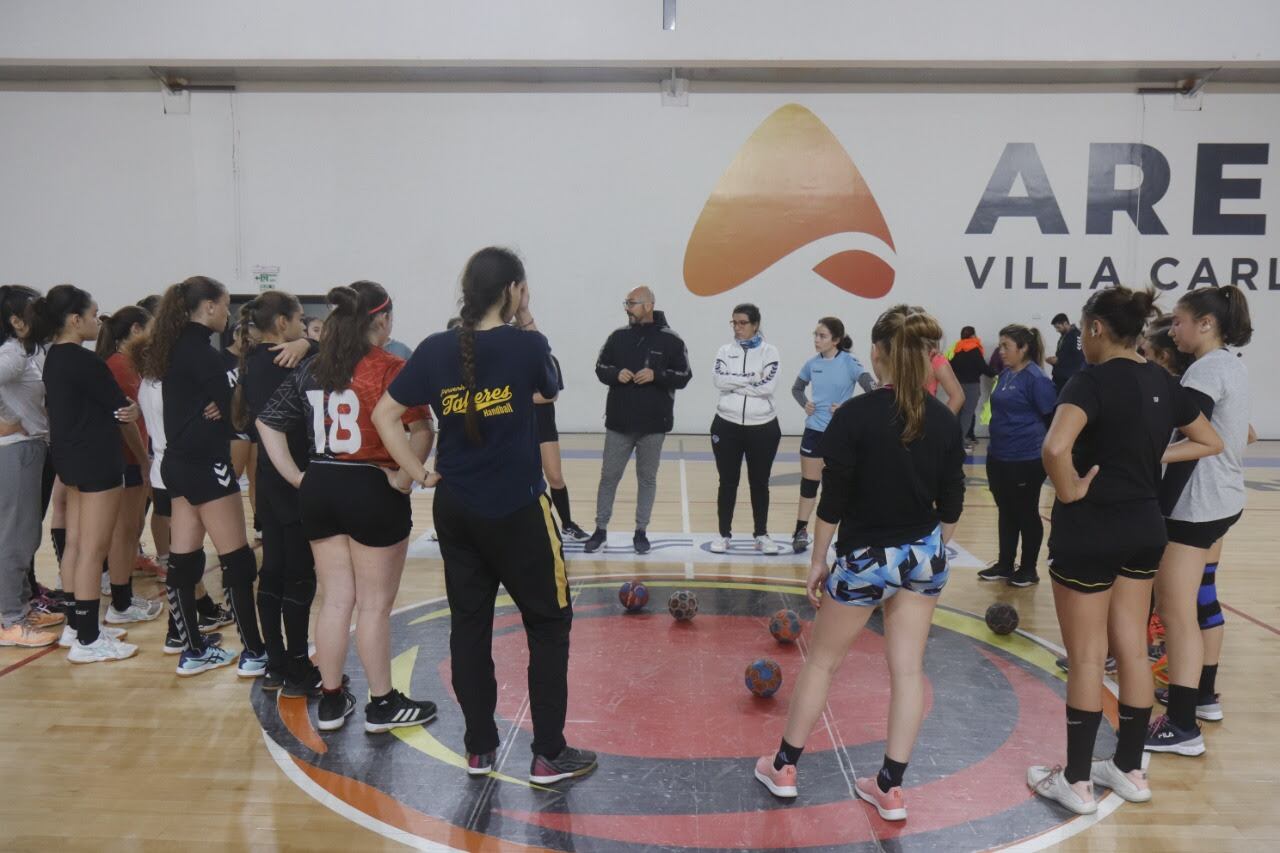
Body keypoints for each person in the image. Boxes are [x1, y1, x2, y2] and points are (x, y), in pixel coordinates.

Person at [374, 246, 597, 784]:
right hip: (518, 511)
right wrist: (526, 317)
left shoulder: (432, 348)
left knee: (469, 629)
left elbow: (384, 414)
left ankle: (479, 749)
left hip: (457, 509)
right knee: (548, 625)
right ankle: (547, 753)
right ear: (514, 289)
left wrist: (419, 475)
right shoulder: (528, 345)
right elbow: (550, 388)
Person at [754, 306, 965, 820]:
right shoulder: (942, 418)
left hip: (865, 559)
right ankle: (889, 788)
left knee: (823, 661)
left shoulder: (853, 416)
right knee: (908, 670)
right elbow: (953, 504)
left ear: (876, 353)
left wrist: (818, 560)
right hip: (924, 556)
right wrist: (926, 550)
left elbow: (833, 502)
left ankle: (783, 767)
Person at [1028, 286, 1220, 815]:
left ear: (1094, 329)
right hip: (1145, 527)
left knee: (1089, 655)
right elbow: (1211, 441)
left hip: (1090, 530)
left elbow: (1054, 448)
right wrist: (1154, 453)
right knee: (1132, 647)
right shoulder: (1162, 379)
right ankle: (1130, 769)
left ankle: (1077, 781)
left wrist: (1068, 490)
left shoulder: (1088, 380)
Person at [259, 281, 436, 732]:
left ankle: (333, 700)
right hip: (369, 486)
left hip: (319, 486)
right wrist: (403, 475)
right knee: (374, 606)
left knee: (336, 600)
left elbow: (266, 423)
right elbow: (420, 428)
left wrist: (298, 476)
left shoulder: (315, 367)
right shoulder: (391, 367)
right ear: (382, 320)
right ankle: (382, 703)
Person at [1146, 286, 1253, 756]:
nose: (1174, 330)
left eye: (1180, 322)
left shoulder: (1207, 371)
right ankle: (1200, 697)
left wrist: (1157, 496)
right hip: (1222, 498)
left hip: (1196, 504)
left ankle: (1182, 726)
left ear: (1206, 324)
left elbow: (1196, 445)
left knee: (1178, 612)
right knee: (1196, 602)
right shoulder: (1230, 362)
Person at [148, 277, 269, 677]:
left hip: (177, 465)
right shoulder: (202, 353)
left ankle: (193, 650)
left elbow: (221, 405)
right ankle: (254, 652)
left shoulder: (174, 347)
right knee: (237, 560)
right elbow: (237, 413)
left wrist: (223, 405)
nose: (229, 313)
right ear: (209, 308)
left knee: (184, 562)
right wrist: (230, 405)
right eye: (226, 305)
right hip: (205, 464)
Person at [27, 285, 141, 662]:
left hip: (70, 459)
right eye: (93, 315)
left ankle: (77, 627)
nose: (97, 321)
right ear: (74, 320)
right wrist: (134, 414)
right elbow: (122, 409)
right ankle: (89, 640)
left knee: (76, 544)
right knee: (93, 549)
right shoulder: (85, 361)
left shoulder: (54, 358)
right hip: (97, 461)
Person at [234, 292, 323, 694]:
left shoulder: (251, 361)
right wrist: (310, 345)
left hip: (267, 479)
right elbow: (339, 352)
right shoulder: (294, 359)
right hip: (296, 475)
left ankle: (276, 662)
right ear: (283, 323)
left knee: (273, 570)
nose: (305, 327)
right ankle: (299, 666)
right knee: (299, 574)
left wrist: (307, 342)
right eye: (301, 321)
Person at [127, 330, 234, 655]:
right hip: (178, 473)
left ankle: (187, 624)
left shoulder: (149, 383)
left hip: (164, 473)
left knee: (184, 556)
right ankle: (178, 632)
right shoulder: (162, 386)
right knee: (186, 559)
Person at [584, 286, 692, 555]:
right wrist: (615, 373)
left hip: (654, 426)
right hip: (619, 423)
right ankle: (600, 529)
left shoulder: (672, 340)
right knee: (608, 477)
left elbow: (684, 376)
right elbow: (600, 367)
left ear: (648, 305)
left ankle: (641, 531)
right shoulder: (617, 337)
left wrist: (657, 375)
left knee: (647, 479)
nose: (627, 308)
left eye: (631, 303)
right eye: (626, 303)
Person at [0, 285, 64, 648]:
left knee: (23, 536)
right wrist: (7, 418)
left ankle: (22, 608)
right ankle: (10, 620)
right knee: (16, 539)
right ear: (16, 321)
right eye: (36, 311)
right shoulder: (11, 355)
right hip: (18, 450)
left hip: (28, 450)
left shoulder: (22, 354)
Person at [95, 306, 164, 624]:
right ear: (136, 330)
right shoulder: (120, 367)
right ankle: (121, 604)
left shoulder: (127, 364)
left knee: (127, 531)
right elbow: (127, 422)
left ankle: (122, 597)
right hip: (126, 459)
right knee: (125, 532)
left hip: (129, 458)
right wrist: (143, 459)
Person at [976, 324, 1057, 587]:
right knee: (1006, 511)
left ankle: (1028, 569)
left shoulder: (1037, 379)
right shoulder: (1007, 373)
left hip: (1026, 459)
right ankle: (1005, 563)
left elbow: (1052, 418)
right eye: (1000, 346)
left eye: (1005, 346)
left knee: (1025, 512)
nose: (1001, 352)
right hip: (999, 455)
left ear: (1024, 349)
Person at [789, 316, 874, 553]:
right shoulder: (811, 363)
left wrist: (848, 408)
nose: (817, 340)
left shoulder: (850, 362)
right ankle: (800, 531)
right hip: (814, 431)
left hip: (841, 435)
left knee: (838, 487)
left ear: (836, 340)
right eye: (815, 335)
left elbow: (873, 390)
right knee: (809, 484)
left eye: (822, 336)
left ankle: (846, 534)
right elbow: (796, 388)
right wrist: (804, 402)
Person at [710, 303, 782, 554]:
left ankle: (761, 534)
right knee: (727, 482)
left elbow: (766, 387)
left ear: (755, 325)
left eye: (742, 323)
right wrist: (750, 378)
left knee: (759, 482)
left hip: (763, 427)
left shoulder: (770, 352)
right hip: (726, 424)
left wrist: (736, 383)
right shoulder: (724, 350)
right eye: (734, 323)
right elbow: (719, 380)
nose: (737, 328)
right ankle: (723, 534)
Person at [536, 353, 589, 541]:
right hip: (516, 429)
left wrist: (520, 399)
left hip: (544, 428)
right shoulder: (505, 359)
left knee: (555, 477)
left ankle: (567, 523)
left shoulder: (548, 359)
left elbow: (551, 395)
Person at [948, 326, 994, 451]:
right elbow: (983, 367)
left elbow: (949, 365)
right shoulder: (974, 349)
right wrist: (996, 373)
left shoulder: (957, 349)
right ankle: (960, 441)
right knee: (967, 414)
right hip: (971, 386)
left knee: (958, 413)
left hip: (956, 385)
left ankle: (955, 439)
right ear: (973, 335)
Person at [1047, 312, 1086, 392]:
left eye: (1058, 327)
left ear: (1065, 323)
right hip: (1059, 377)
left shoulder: (1076, 335)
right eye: (1056, 328)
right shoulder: (1064, 336)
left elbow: (1079, 358)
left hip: (1068, 379)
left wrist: (1058, 361)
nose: (1057, 330)